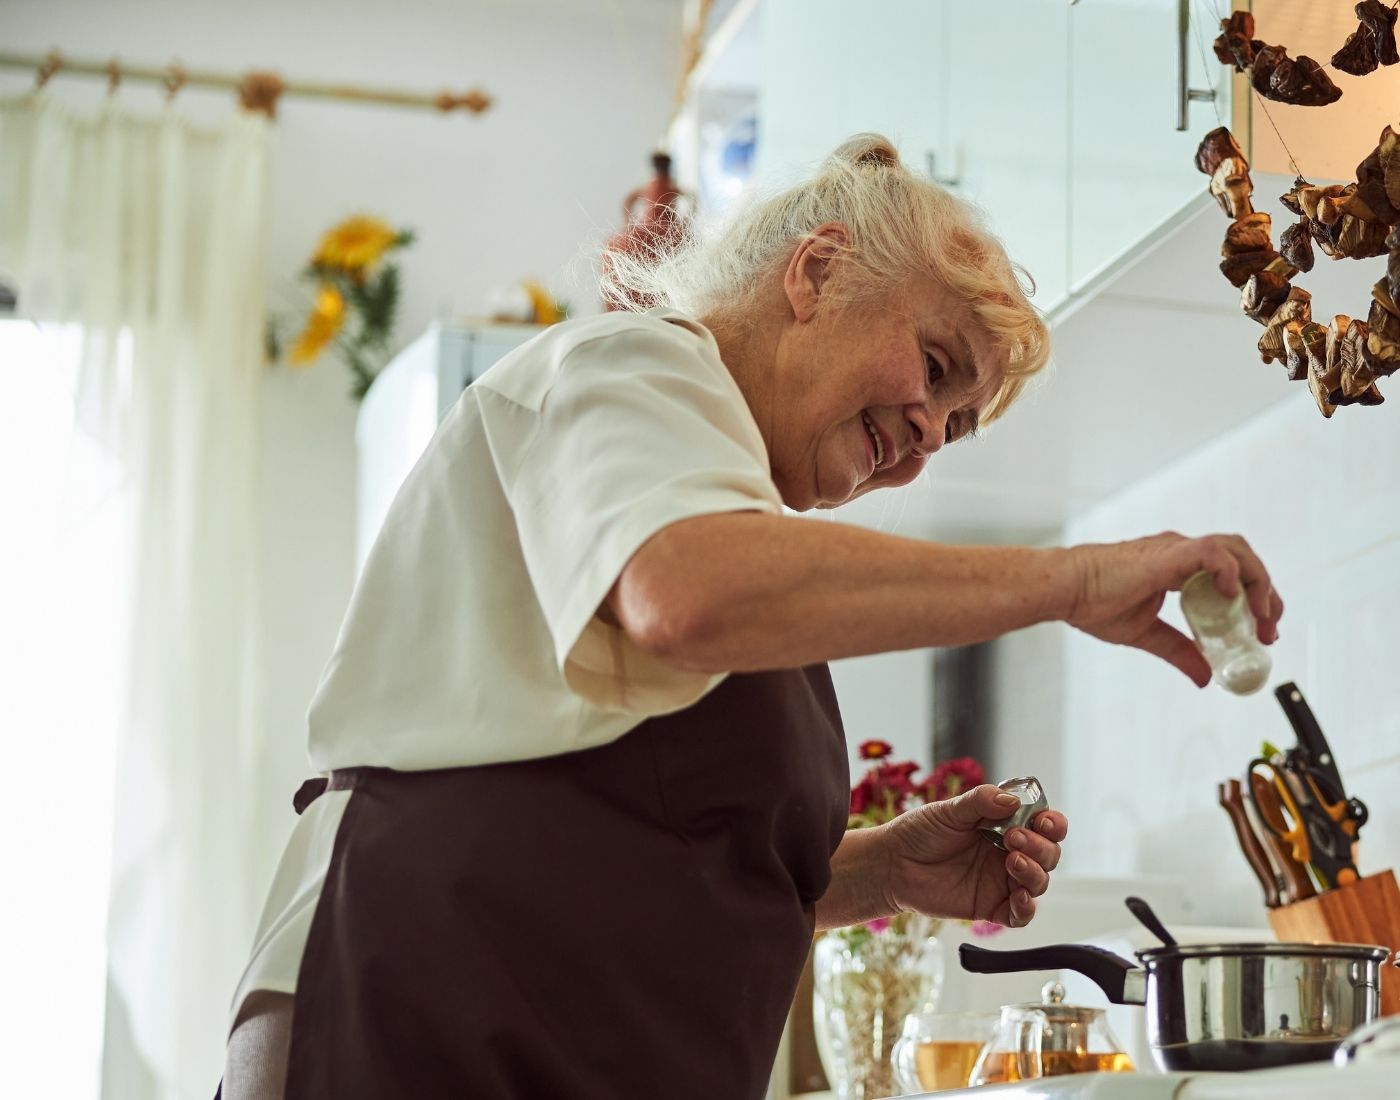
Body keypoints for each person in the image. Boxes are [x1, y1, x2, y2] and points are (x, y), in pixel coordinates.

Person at [219, 134, 1282, 1100]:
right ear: (815, 270)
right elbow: (688, 596)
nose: (919, 441)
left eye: (949, 433)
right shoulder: (631, 369)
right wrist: (1072, 579)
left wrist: (873, 867)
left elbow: (630, 832)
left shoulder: (730, 507)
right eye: (934, 368)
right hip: (420, 1014)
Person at [602, 151, 691, 311]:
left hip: (651, 229)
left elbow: (629, 200)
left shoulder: (654, 187)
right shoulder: (682, 237)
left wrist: (627, 225)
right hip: (667, 230)